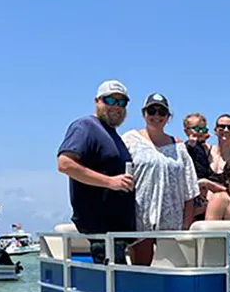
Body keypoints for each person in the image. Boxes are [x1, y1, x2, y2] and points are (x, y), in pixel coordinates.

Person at [56, 79, 135, 264]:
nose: (116, 106)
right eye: (110, 100)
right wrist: (110, 182)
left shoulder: (113, 134)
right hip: (101, 232)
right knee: (112, 289)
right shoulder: (85, 127)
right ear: (97, 101)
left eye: (122, 102)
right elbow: (65, 164)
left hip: (118, 234)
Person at [120, 93, 198, 265]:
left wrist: (186, 227)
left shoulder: (179, 148)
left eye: (161, 112)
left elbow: (190, 190)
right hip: (141, 222)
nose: (156, 116)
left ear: (168, 117)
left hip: (172, 224)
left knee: (171, 275)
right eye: (151, 111)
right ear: (143, 113)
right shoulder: (128, 140)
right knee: (142, 273)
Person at [183, 112, 225, 221]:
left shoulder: (202, 148)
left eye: (204, 129)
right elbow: (188, 151)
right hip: (193, 187)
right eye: (196, 129)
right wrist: (191, 143)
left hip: (203, 185)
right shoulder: (188, 146)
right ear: (187, 131)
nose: (200, 132)